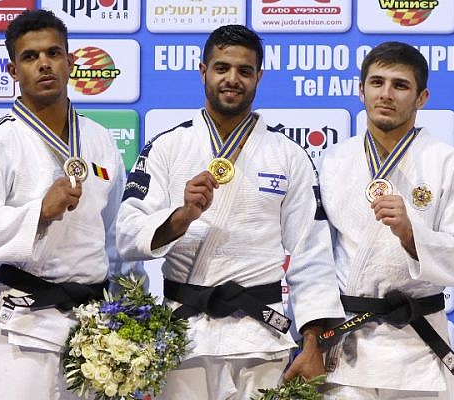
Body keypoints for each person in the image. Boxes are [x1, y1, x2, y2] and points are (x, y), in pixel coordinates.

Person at [116, 24, 345, 400]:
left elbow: (311, 253)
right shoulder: (166, 147)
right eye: (222, 68)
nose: (232, 79)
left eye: (244, 70)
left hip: (259, 337)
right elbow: (127, 234)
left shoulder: (288, 155)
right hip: (182, 338)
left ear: (259, 77)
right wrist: (182, 217)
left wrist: (312, 341)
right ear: (203, 70)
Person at [0, 9, 137, 399]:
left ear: (70, 61)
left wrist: (131, 308)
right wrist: (38, 213)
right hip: (24, 326)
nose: (44, 63)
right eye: (30, 57)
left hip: (96, 331)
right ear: (13, 71)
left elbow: (115, 234)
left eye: (53, 53)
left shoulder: (99, 140)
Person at [317, 41, 454, 400]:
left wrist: (413, 235)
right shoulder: (333, 162)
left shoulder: (449, 163)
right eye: (377, 82)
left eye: (400, 85)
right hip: (347, 349)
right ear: (360, 89)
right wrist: (309, 337)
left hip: (416, 349)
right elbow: (313, 259)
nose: (386, 94)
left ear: (422, 97)